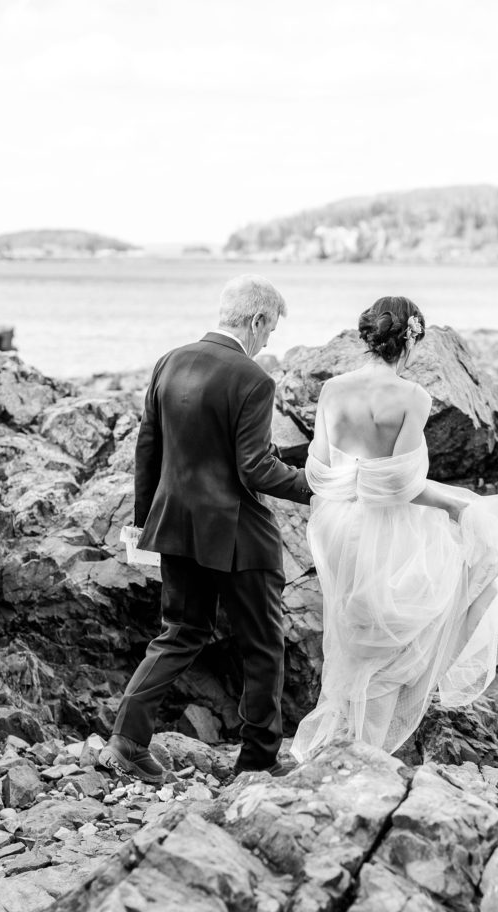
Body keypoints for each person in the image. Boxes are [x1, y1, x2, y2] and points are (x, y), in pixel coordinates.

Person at [290, 296, 498, 762]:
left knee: (356, 637)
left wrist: (354, 484)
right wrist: (455, 505)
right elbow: (401, 484)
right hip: (391, 531)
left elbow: (318, 472)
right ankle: (368, 753)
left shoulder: (333, 391)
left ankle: (345, 748)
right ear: (411, 337)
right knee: (400, 641)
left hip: (339, 525)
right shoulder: (413, 397)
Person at [99, 275, 312, 784]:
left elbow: (147, 447)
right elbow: (254, 469)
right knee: (263, 644)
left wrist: (144, 521)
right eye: (270, 330)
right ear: (257, 320)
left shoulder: (169, 361)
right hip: (238, 534)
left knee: (181, 633)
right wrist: (316, 487)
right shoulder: (253, 378)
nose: (268, 342)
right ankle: (259, 758)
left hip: (174, 523)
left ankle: (126, 741)